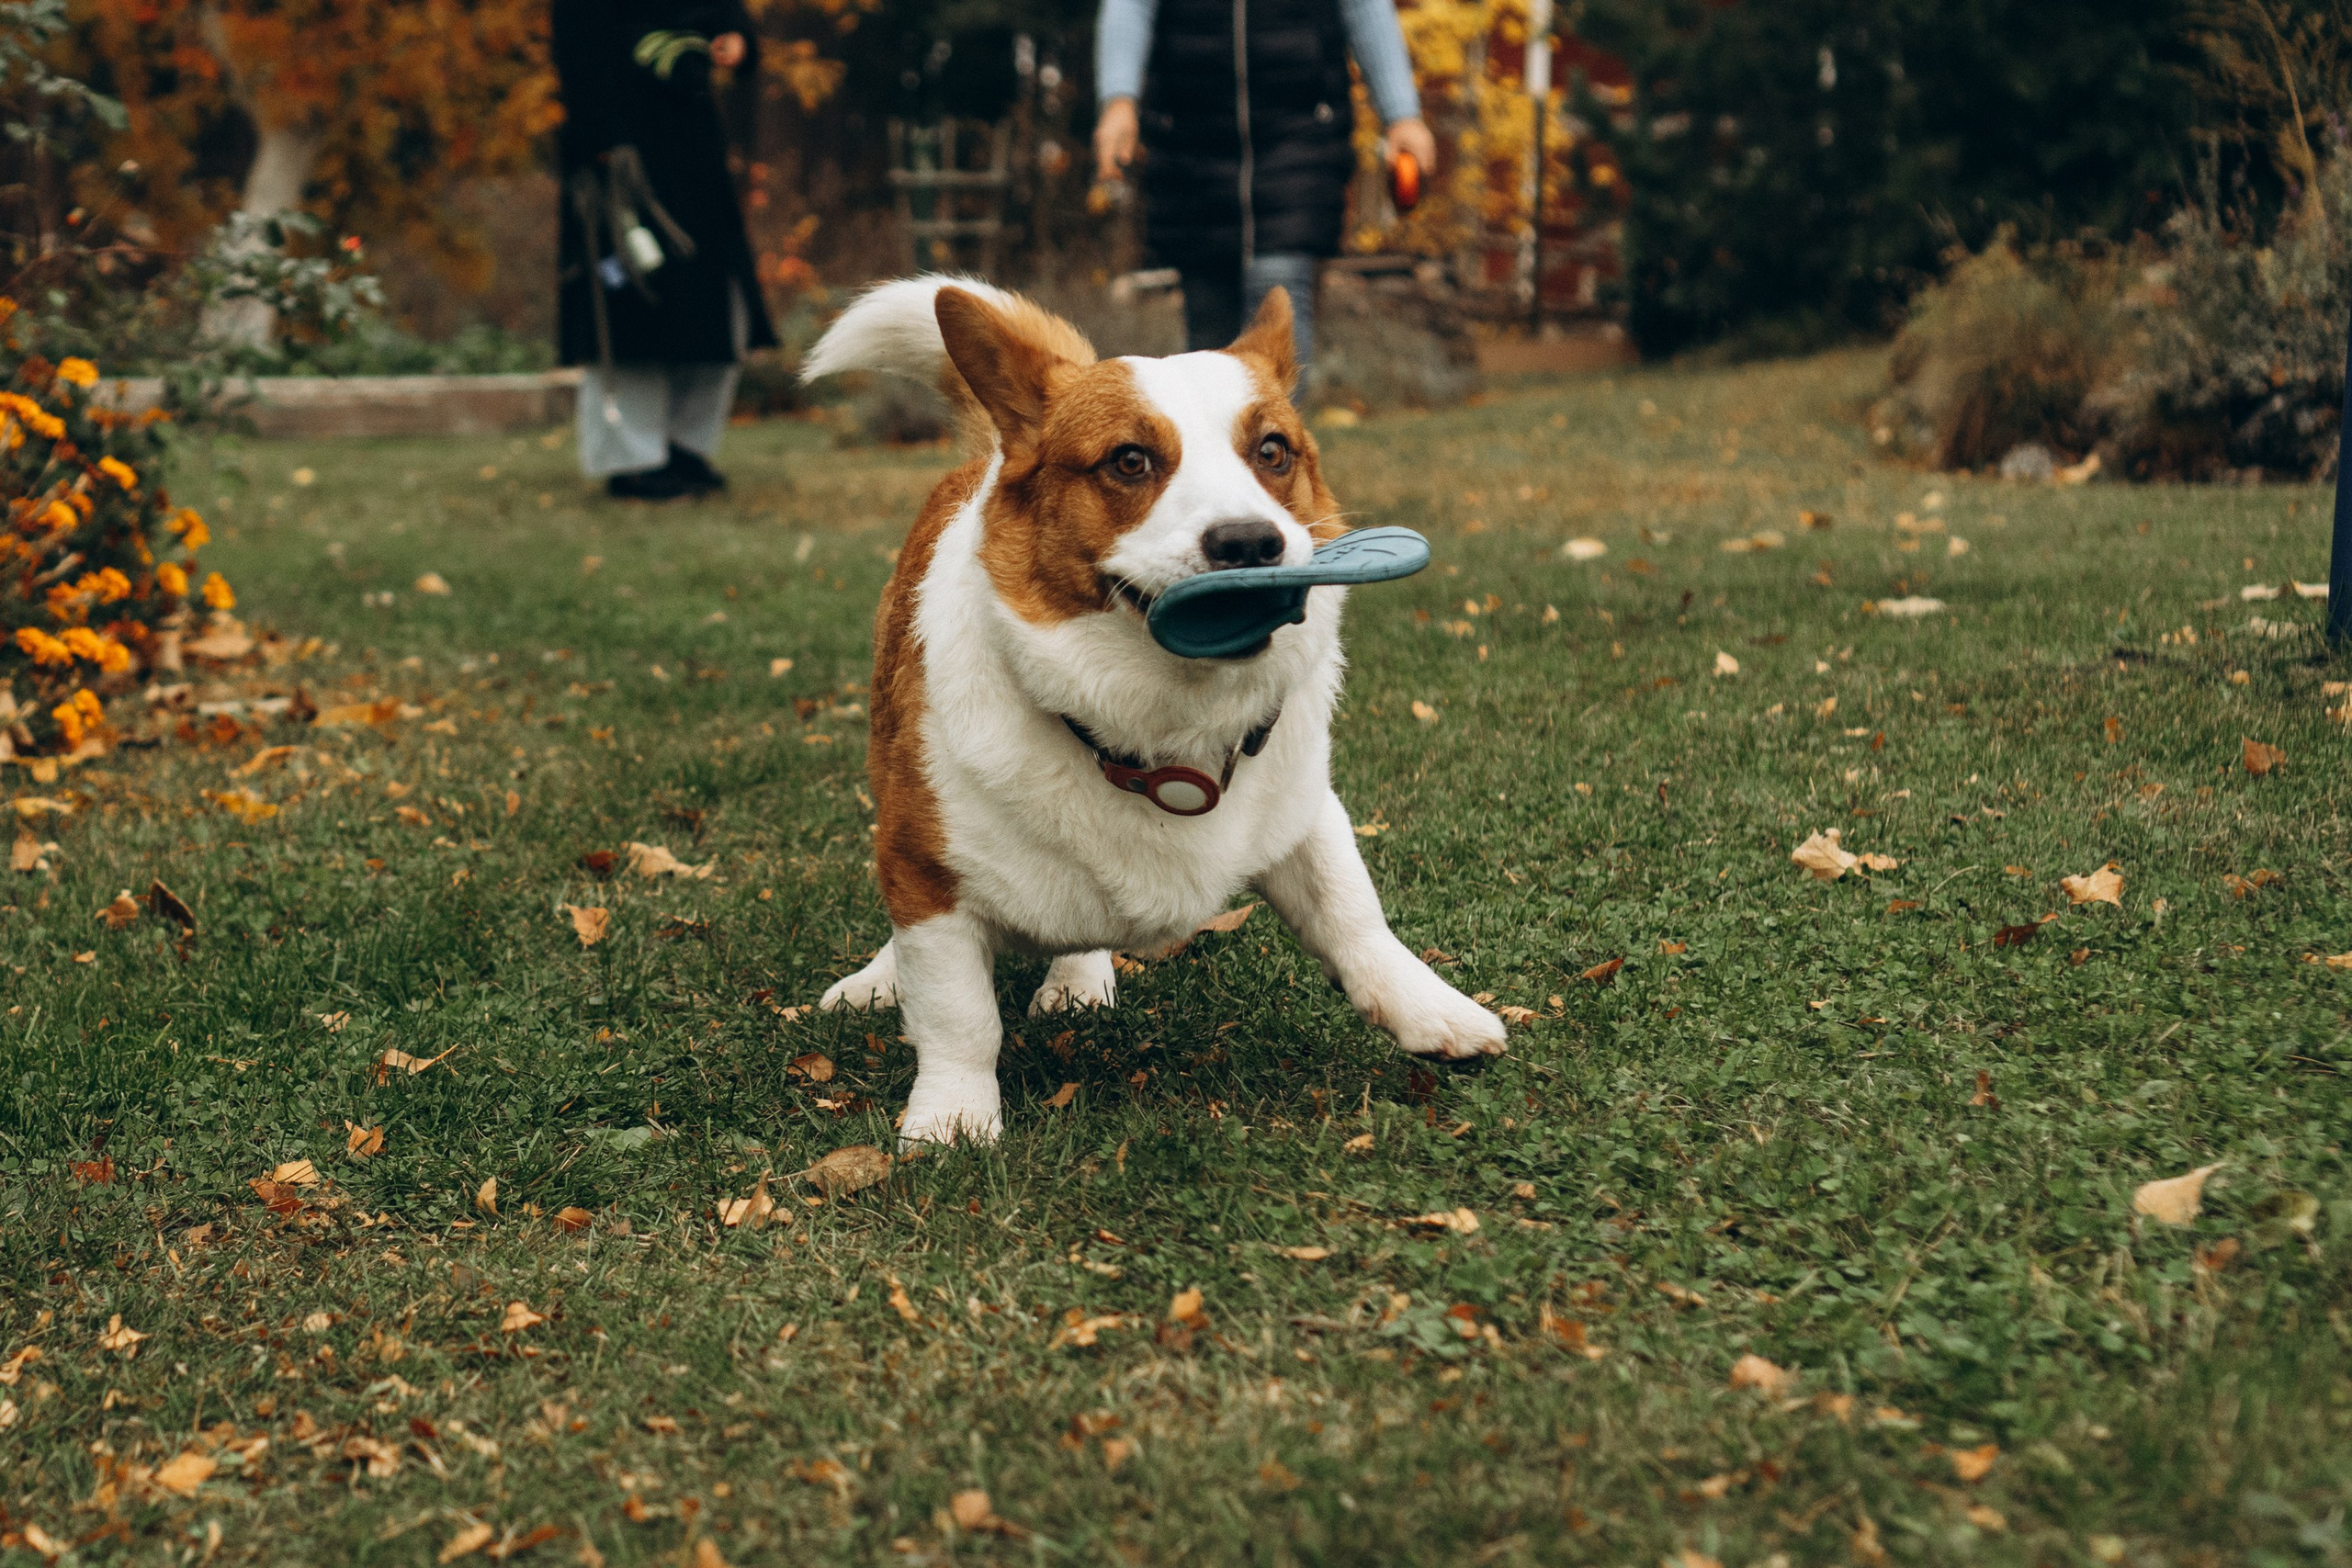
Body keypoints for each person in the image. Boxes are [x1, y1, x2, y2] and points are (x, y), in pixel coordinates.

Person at [1092, 0, 1435, 381]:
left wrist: (1402, 114)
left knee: (1278, 300)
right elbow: (1130, 7)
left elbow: (1366, 9)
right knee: (1208, 334)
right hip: (1192, 141)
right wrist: (1118, 100)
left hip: (1301, 133)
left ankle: (1278, 439)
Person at [552, 0, 778, 500]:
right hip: (618, 153)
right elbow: (576, 49)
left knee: (714, 307)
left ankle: (684, 449)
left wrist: (737, 40)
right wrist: (604, 144)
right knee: (635, 301)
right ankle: (634, 460)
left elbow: (727, 14)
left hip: (693, 154)